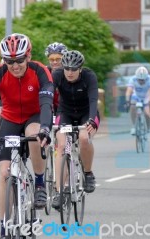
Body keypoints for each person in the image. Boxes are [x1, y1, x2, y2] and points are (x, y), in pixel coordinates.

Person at [0, 33, 53, 239]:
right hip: (9, 119)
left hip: (34, 116)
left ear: (28, 56)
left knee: (34, 134)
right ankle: (3, 232)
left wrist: (46, 128)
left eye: (19, 60)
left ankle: (39, 183)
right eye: (9, 61)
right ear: (3, 61)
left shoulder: (40, 71)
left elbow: (47, 103)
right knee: (4, 173)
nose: (15, 65)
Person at [50, 50, 100, 209]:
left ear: (80, 68)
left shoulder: (89, 76)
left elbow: (93, 100)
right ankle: (59, 191)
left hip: (87, 113)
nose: (69, 72)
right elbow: (48, 97)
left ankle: (88, 173)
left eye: (73, 69)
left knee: (84, 138)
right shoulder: (57, 75)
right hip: (65, 113)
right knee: (63, 145)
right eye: (67, 68)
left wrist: (91, 120)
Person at [125, 66, 150, 135]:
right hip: (136, 96)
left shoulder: (149, 79)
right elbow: (129, 91)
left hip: (146, 96)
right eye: (139, 80)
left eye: (143, 80)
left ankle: (147, 128)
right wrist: (127, 101)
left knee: (147, 112)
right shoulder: (132, 79)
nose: (141, 81)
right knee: (132, 107)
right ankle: (134, 127)